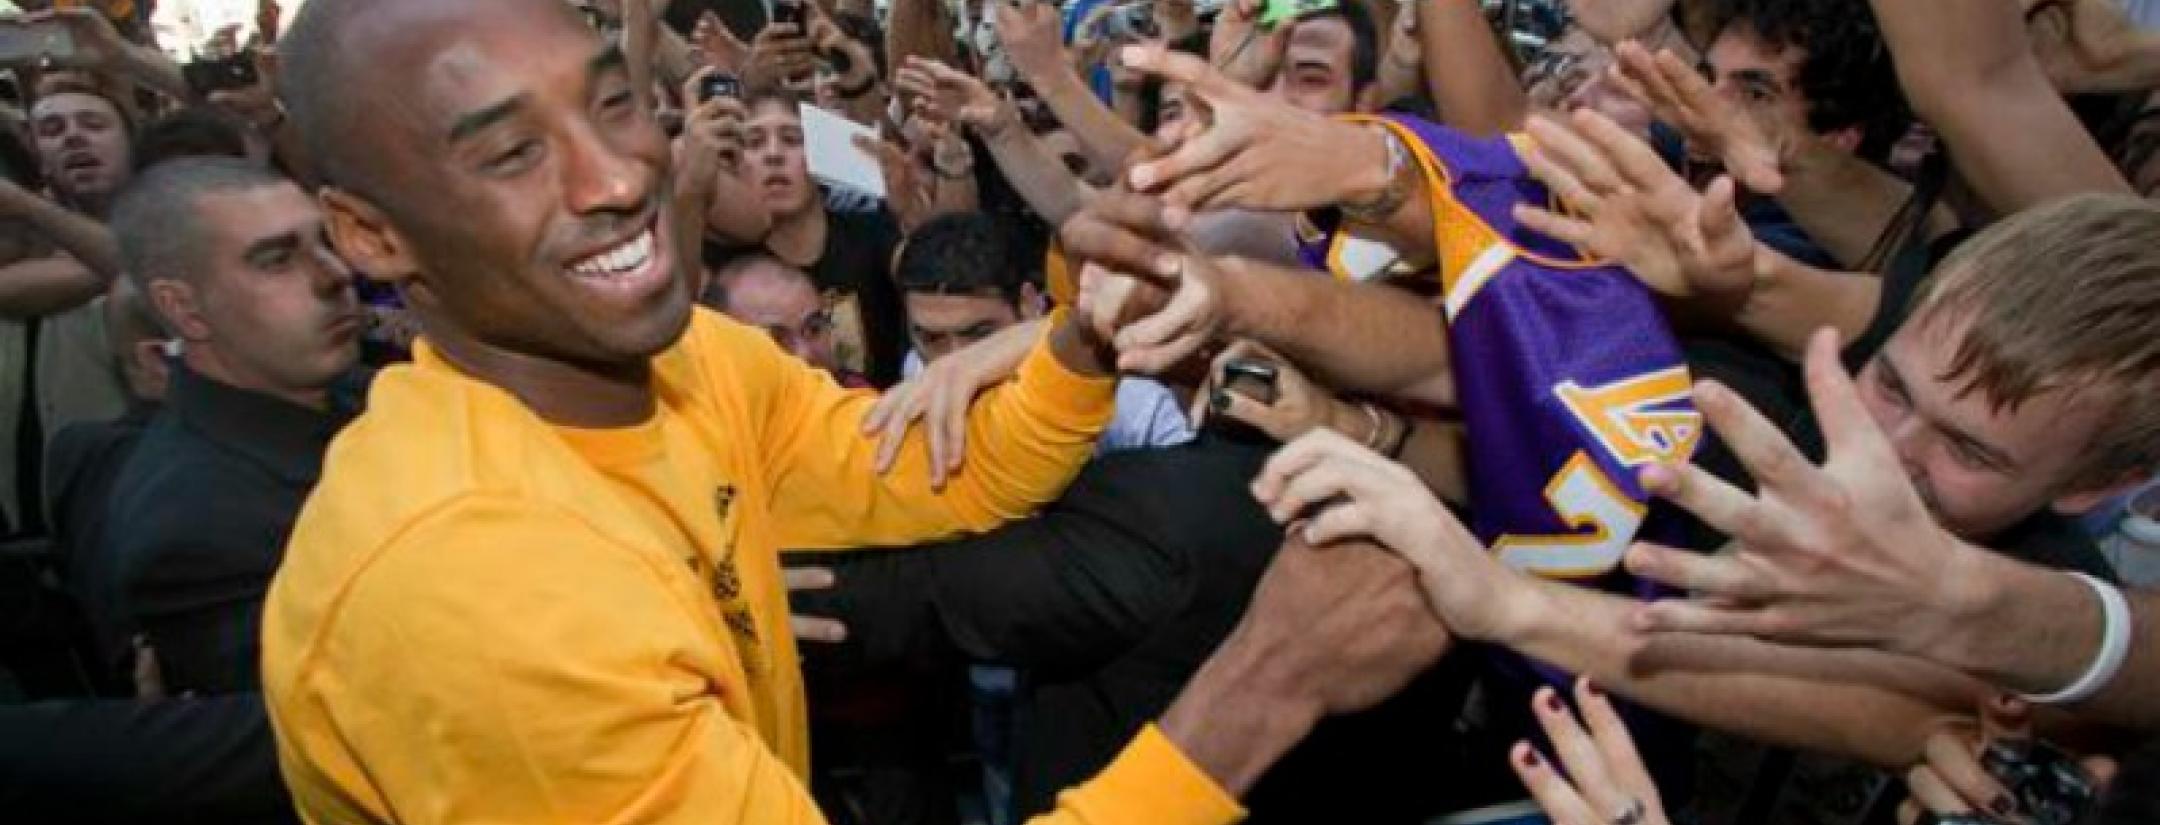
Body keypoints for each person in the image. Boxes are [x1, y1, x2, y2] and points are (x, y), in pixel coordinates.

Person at [261, 2, 1451, 824]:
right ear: (370, 235)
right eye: (512, 154)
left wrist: (1083, 335)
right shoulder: (468, 586)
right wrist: (1264, 689)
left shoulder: (697, 361)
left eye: (613, 105)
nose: (615, 176)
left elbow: (943, 476)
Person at [105, 157, 365, 697]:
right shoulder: (196, 528)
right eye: (276, 260)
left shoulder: (390, 391)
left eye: (325, 241)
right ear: (184, 309)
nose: (335, 274)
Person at [892, 212, 1191, 455]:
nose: (953, 360)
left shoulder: (1135, 409)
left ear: (1030, 303)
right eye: (932, 339)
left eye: (980, 334)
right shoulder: (916, 376)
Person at [735, 89, 911, 386]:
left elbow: (941, 282)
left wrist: (910, 215)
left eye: (792, 139)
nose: (774, 154)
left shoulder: (871, 233)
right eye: (754, 143)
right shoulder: (729, 264)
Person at [703, 251, 870, 387]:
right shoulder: (705, 423)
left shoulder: (861, 405)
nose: (804, 355)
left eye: (814, 329)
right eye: (776, 340)